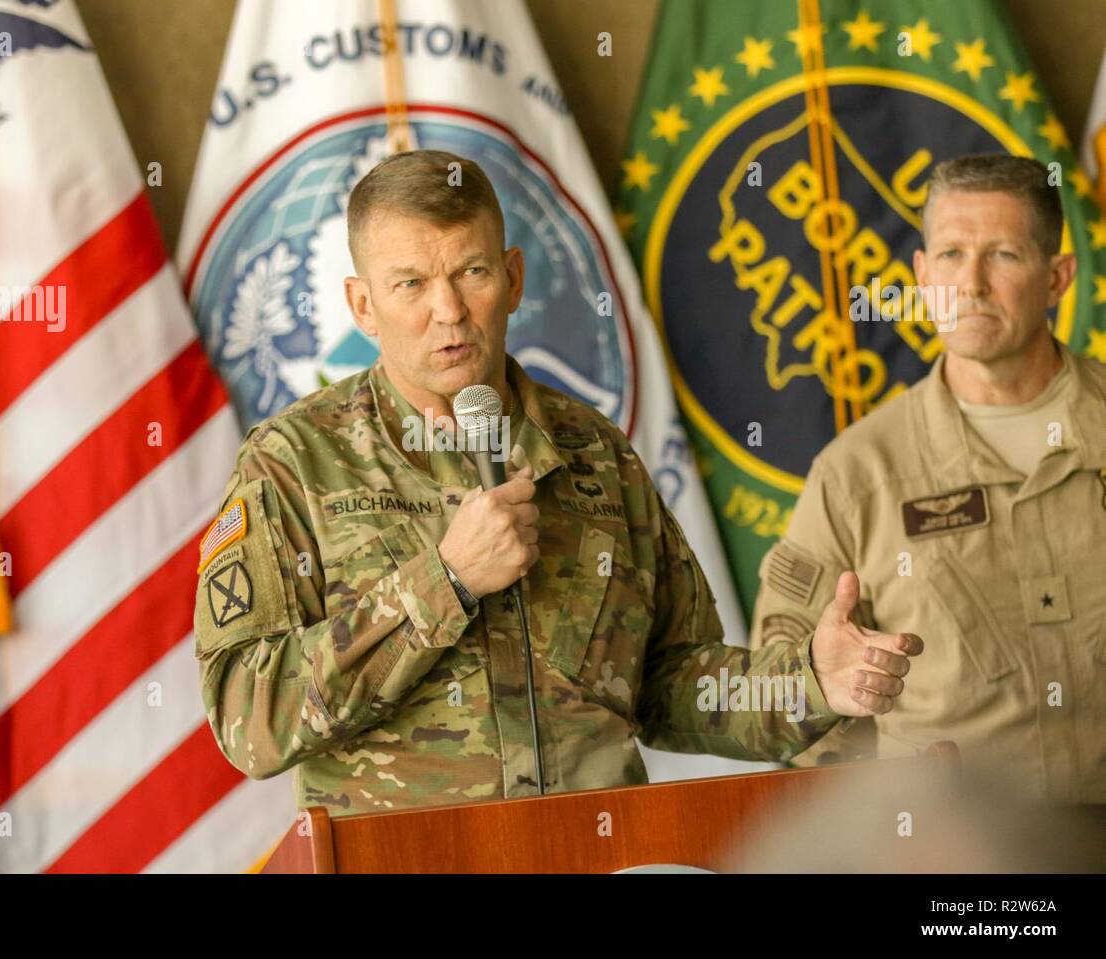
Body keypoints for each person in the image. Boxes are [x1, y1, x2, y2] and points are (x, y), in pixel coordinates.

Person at [195, 149, 922, 815]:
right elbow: (248, 719)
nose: (447, 311)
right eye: (410, 284)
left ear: (511, 279)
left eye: (471, 273)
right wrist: (443, 582)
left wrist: (809, 684)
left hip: (592, 853)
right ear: (363, 307)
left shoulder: (595, 454)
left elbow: (670, 684)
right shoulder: (293, 463)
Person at [750, 153, 1106, 803]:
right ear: (920, 274)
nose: (969, 284)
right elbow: (781, 707)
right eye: (949, 255)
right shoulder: (857, 475)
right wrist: (819, 681)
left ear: (1056, 278)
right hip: (959, 861)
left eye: (1002, 255)